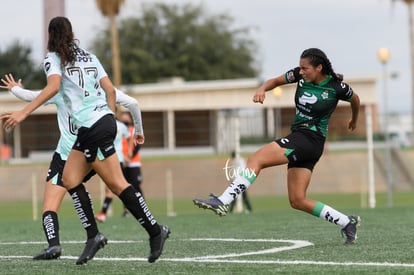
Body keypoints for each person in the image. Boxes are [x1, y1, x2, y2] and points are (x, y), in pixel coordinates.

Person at [0, 16, 170, 264]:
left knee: (117, 184)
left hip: (92, 128)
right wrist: (109, 119)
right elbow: (111, 91)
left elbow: (53, 87)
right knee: (70, 178)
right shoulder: (89, 56)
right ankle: (94, 235)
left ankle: (155, 231)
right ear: (71, 33)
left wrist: (23, 113)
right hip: (99, 125)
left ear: (51, 36)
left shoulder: (53, 59)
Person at [193, 48, 361, 245]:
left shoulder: (336, 87)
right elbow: (273, 81)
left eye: (306, 68)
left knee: (256, 159)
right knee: (297, 200)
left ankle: (224, 201)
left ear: (319, 68)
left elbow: (355, 99)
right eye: (300, 67)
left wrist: (354, 120)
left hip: (309, 139)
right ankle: (346, 222)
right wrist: (262, 89)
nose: (302, 71)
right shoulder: (299, 75)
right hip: (304, 140)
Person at [7, 82, 142, 260]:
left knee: (52, 204)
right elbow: (132, 103)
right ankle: (93, 234)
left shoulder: (60, 90)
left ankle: (57, 244)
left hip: (68, 155)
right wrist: (137, 130)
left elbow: (31, 96)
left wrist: (14, 88)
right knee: (110, 187)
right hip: (91, 152)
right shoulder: (97, 90)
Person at [95, 117, 130, 223]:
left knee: (113, 188)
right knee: (115, 187)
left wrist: (128, 153)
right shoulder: (106, 123)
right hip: (109, 159)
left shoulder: (120, 126)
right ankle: (128, 209)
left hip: (115, 158)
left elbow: (129, 137)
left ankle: (103, 214)